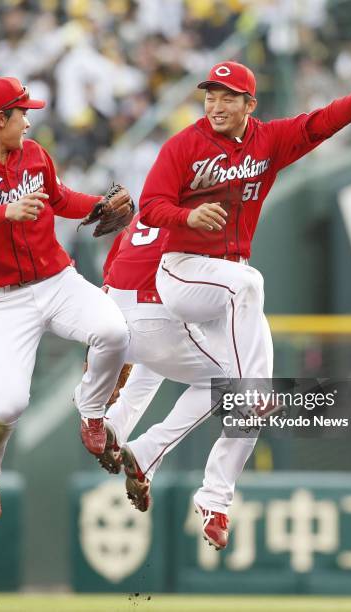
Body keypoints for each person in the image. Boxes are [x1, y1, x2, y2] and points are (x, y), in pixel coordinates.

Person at [137, 58, 351, 542]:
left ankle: (212, 500)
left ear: (249, 104)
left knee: (256, 382)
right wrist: (187, 218)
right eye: (210, 95)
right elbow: (150, 204)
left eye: (227, 97)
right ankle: (250, 392)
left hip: (229, 286)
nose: (215, 104)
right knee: (250, 305)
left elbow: (320, 125)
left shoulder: (268, 140)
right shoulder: (184, 145)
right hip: (184, 272)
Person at [0, 76, 132, 522]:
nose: (27, 120)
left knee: (114, 331)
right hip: (5, 301)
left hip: (56, 280)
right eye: (21, 112)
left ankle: (93, 411)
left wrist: (97, 205)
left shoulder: (34, 153)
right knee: (7, 405)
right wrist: (7, 210)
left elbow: (60, 199)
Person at [96, 212, 269, 549]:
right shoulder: (203, 213)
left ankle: (114, 424)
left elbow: (108, 282)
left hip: (118, 318)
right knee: (234, 383)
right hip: (160, 313)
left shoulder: (145, 215)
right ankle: (154, 456)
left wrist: (112, 355)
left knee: (157, 361)